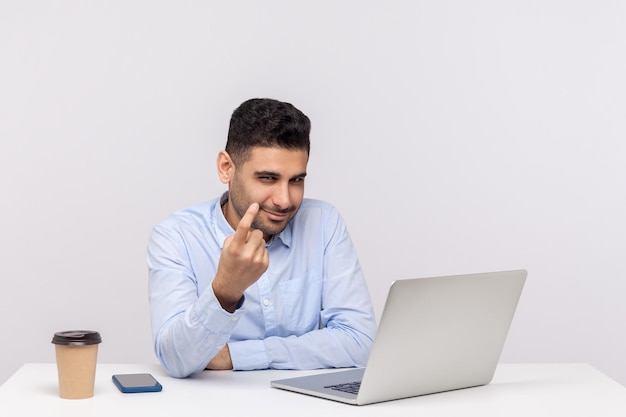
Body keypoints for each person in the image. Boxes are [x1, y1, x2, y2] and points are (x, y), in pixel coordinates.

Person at [147, 98, 377, 378]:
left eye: (296, 180)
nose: (284, 200)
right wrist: (226, 290)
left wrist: (235, 355)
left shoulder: (324, 223)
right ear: (226, 168)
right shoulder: (176, 236)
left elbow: (360, 342)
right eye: (267, 178)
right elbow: (175, 358)